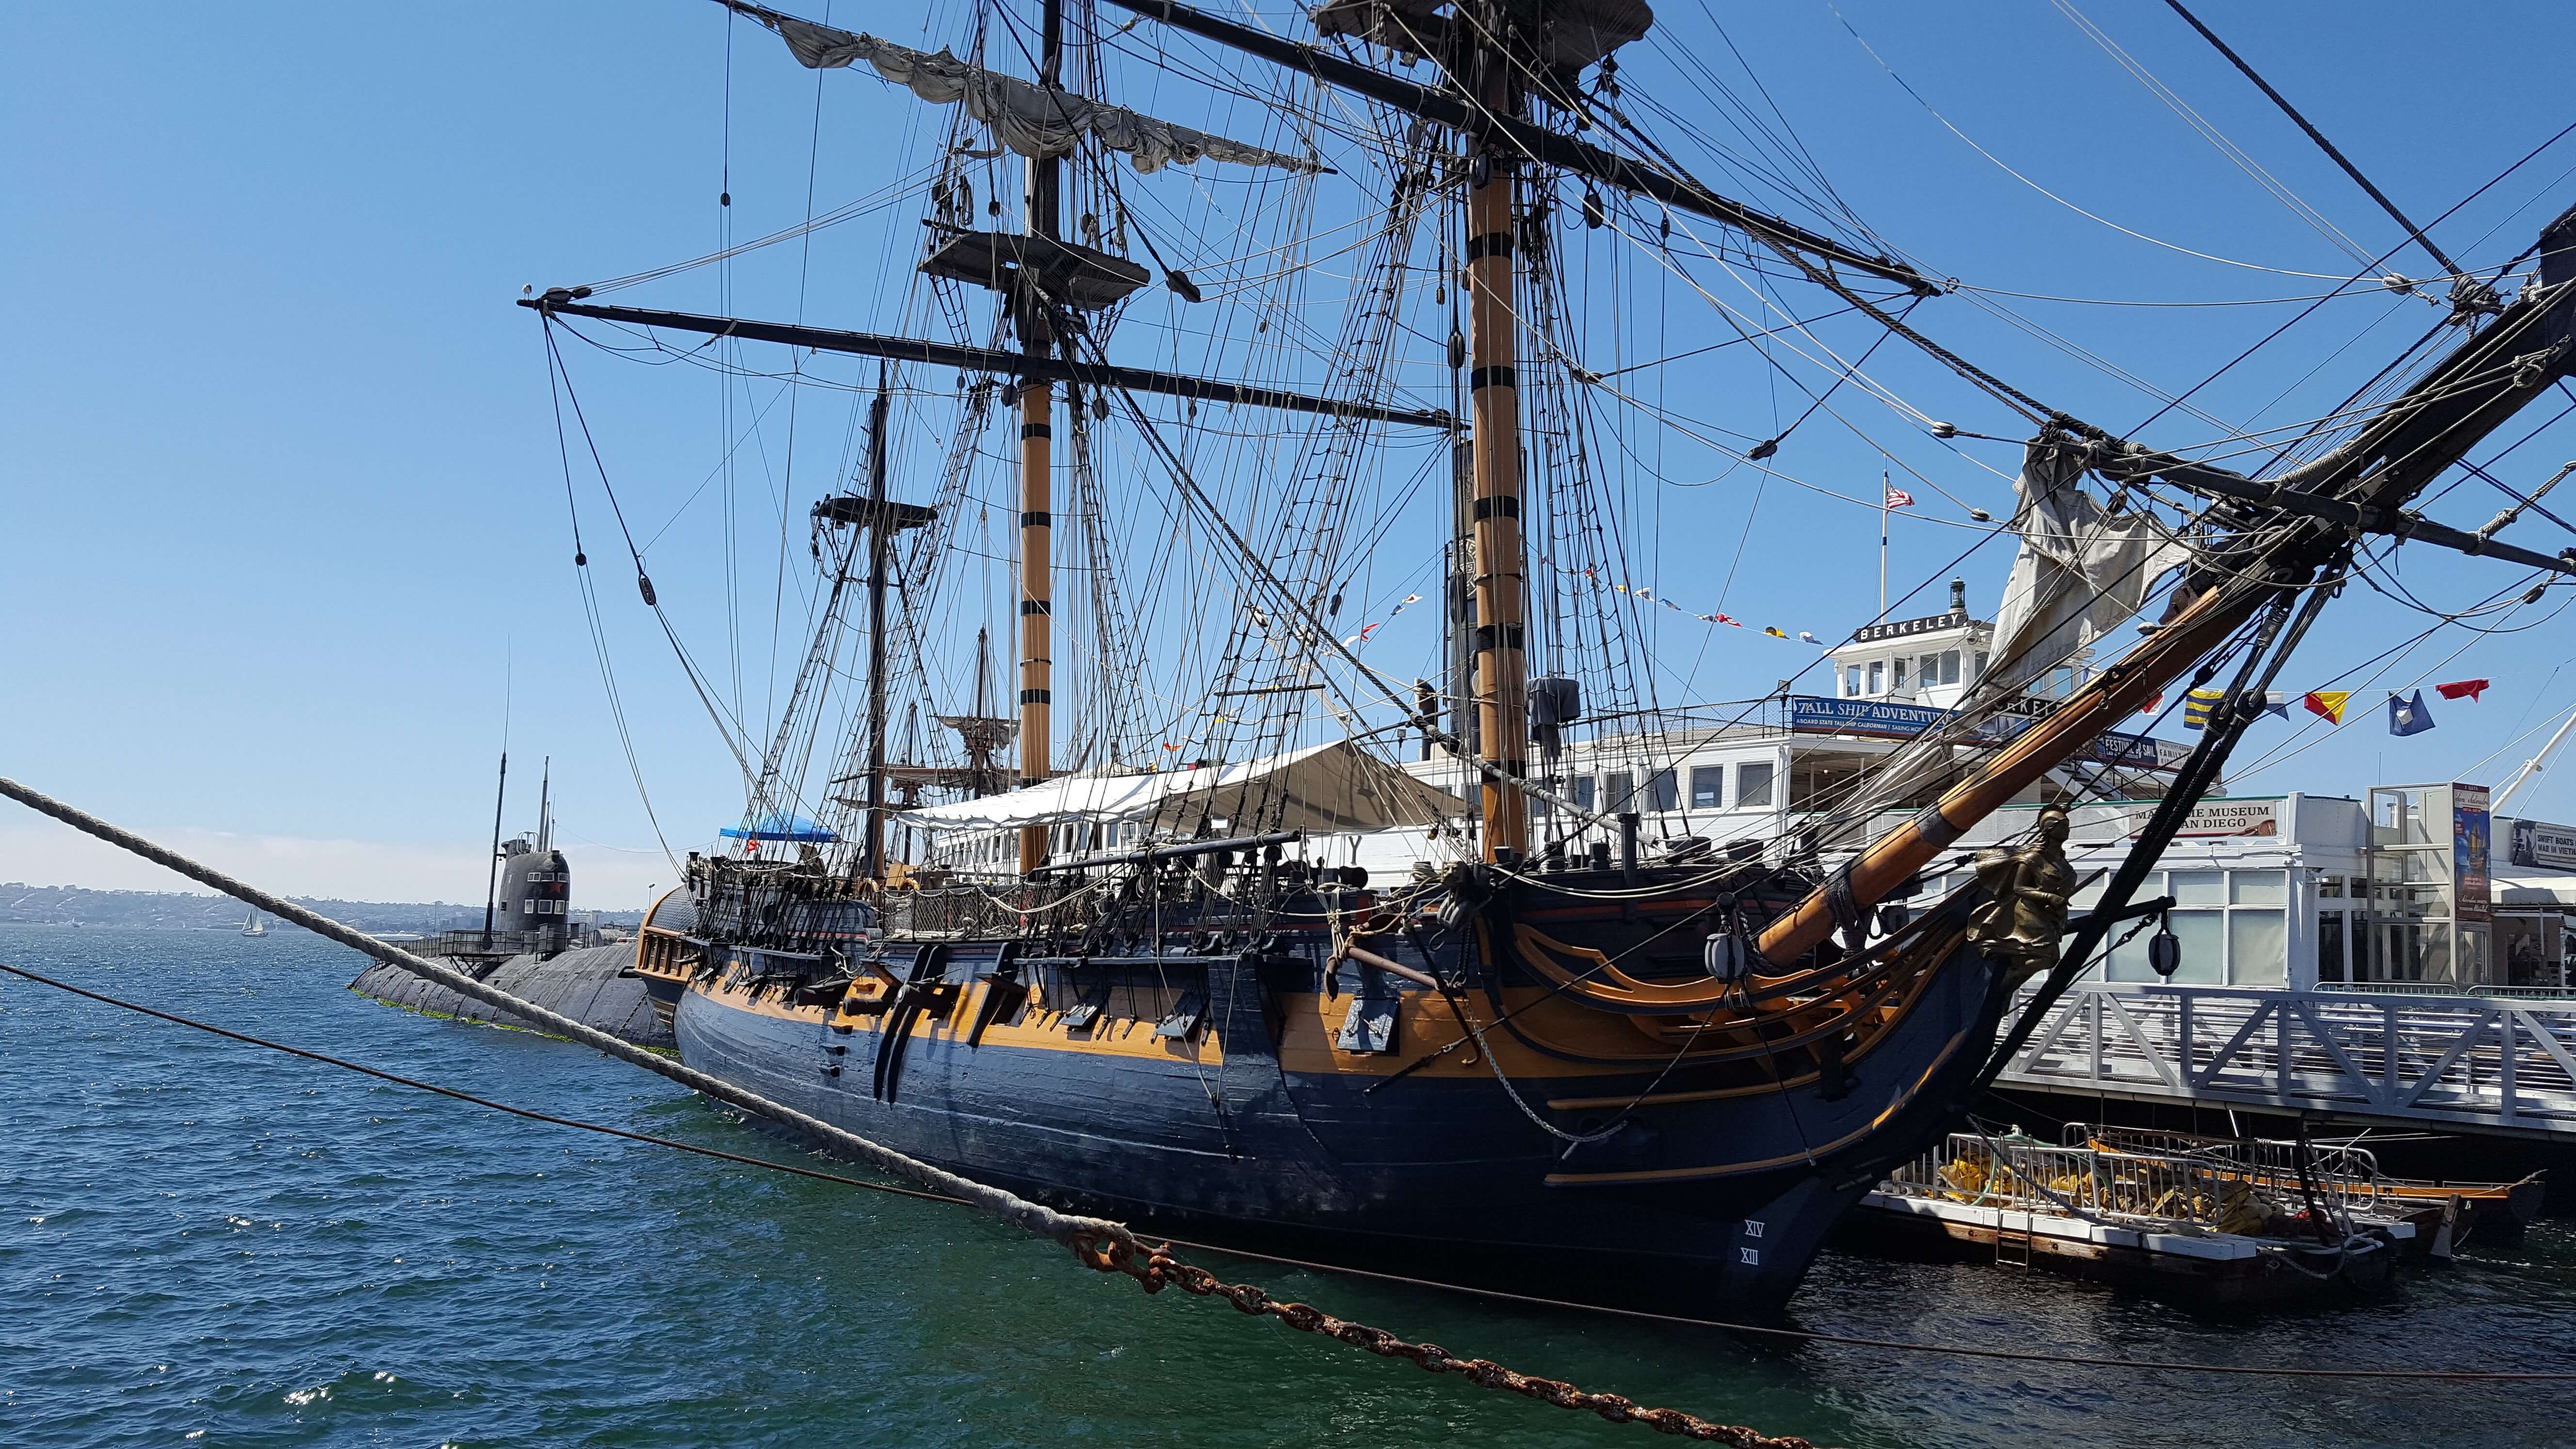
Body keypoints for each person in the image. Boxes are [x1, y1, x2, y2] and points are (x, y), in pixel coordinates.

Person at [1966, 802, 2077, 984]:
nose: (2068, 830)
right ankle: (2005, 985)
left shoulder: (2062, 861)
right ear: (2049, 830)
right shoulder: (2033, 858)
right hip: (2029, 911)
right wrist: (2048, 897)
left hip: (2053, 914)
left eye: (2068, 826)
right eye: (2063, 826)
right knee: (2049, 956)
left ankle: (2007, 985)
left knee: (2045, 957)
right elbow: (2019, 888)